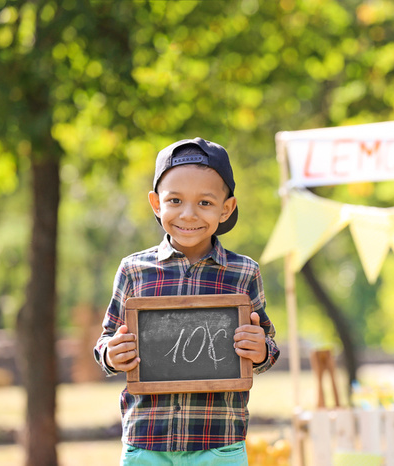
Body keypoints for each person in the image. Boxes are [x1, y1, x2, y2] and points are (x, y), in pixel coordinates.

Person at [94, 137, 280, 465]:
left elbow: (267, 348)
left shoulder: (243, 272)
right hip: (147, 441)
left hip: (219, 442)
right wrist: (113, 353)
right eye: (175, 200)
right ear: (156, 203)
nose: (188, 214)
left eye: (205, 203)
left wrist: (261, 348)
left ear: (227, 208)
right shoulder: (134, 270)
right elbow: (105, 342)